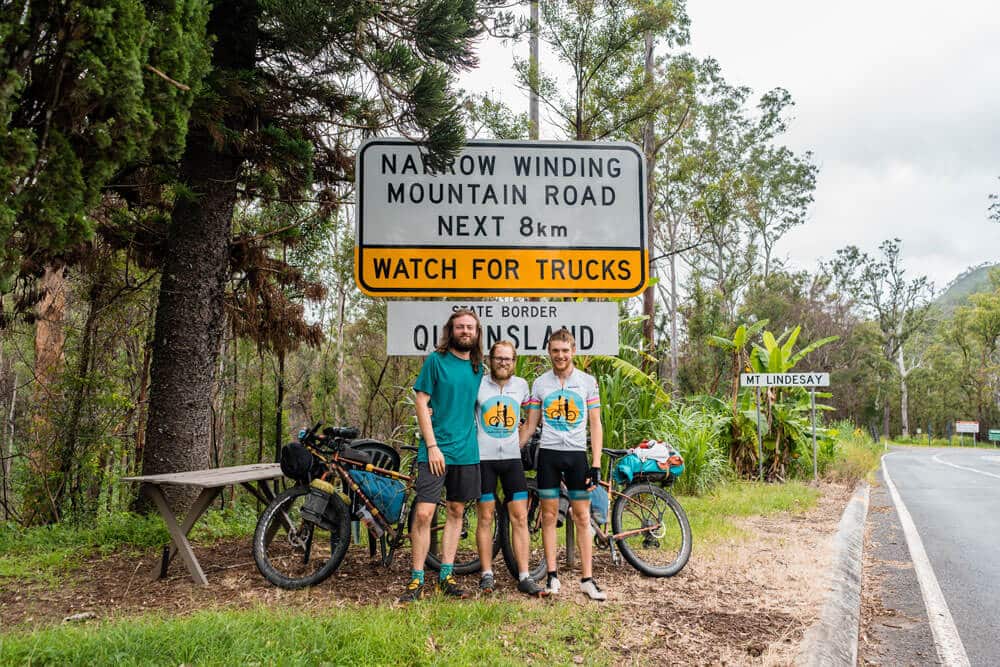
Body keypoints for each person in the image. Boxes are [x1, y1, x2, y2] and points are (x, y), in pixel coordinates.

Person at [400, 309, 483, 602]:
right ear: (452, 330)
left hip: (466, 451)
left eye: (470, 327)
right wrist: (432, 446)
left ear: (476, 333)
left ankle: (446, 574)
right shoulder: (436, 361)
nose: (465, 331)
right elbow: (421, 403)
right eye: (460, 327)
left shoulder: (479, 368)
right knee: (424, 513)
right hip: (435, 450)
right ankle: (416, 578)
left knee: (456, 511)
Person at [521, 328, 607, 601]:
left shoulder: (587, 382)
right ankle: (553, 577)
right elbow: (532, 424)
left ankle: (587, 580)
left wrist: (596, 463)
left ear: (573, 352)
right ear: (549, 352)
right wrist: (513, 450)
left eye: (565, 351)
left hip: (576, 457)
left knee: (582, 517)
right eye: (555, 351)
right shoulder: (540, 383)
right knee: (548, 517)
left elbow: (595, 422)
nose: (560, 355)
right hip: (548, 455)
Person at [474, 340, 548, 597]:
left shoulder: (521, 386)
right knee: (485, 517)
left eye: (508, 359)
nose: (503, 362)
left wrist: (520, 441)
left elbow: (532, 419)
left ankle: (525, 575)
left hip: (512, 461)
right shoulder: (479, 384)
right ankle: (486, 574)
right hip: (484, 460)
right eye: (498, 358)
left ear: (514, 362)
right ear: (490, 360)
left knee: (519, 517)